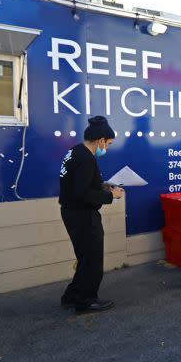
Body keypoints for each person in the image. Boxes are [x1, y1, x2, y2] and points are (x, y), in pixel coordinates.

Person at [58, 115, 125, 314]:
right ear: (101, 140)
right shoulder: (87, 159)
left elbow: (79, 185)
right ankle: (86, 301)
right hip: (83, 215)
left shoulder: (75, 152)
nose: (108, 147)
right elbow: (83, 193)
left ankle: (71, 296)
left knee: (85, 258)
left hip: (71, 212)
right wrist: (111, 195)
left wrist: (103, 186)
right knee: (92, 260)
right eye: (109, 143)